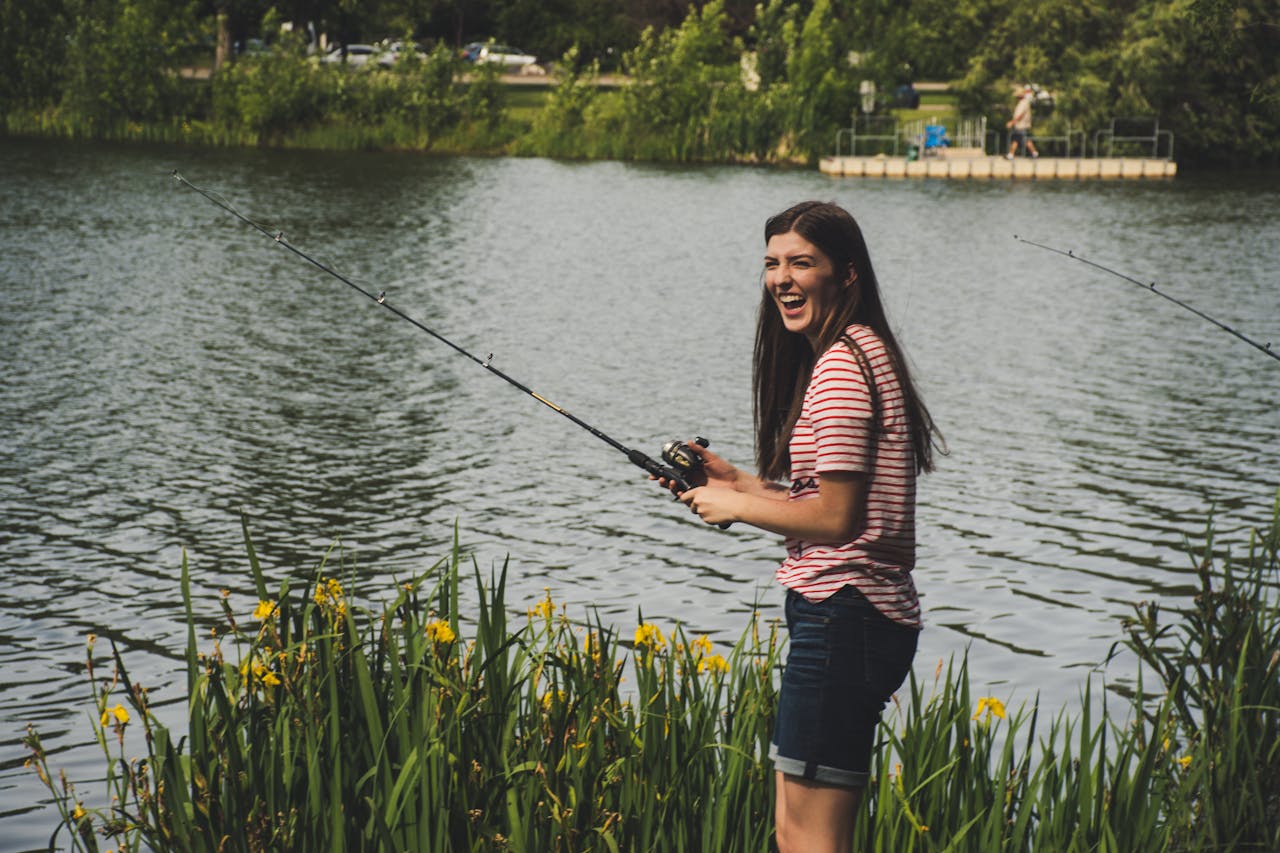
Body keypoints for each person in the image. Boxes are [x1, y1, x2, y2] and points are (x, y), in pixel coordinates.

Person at [662, 201, 941, 851]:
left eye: (800, 262)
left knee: (808, 839)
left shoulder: (841, 367)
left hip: (843, 612)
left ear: (846, 273)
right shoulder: (864, 350)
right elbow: (825, 496)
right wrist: (735, 481)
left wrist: (733, 508)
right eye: (771, 263)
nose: (781, 277)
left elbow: (837, 519)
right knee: (798, 831)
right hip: (856, 614)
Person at [1006, 84, 1040, 159]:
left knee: (1019, 139)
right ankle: (1034, 153)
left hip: (1022, 125)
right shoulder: (1023, 102)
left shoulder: (1023, 103)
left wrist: (1012, 122)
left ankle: (1011, 154)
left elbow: (1020, 115)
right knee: (1020, 139)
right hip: (1021, 125)